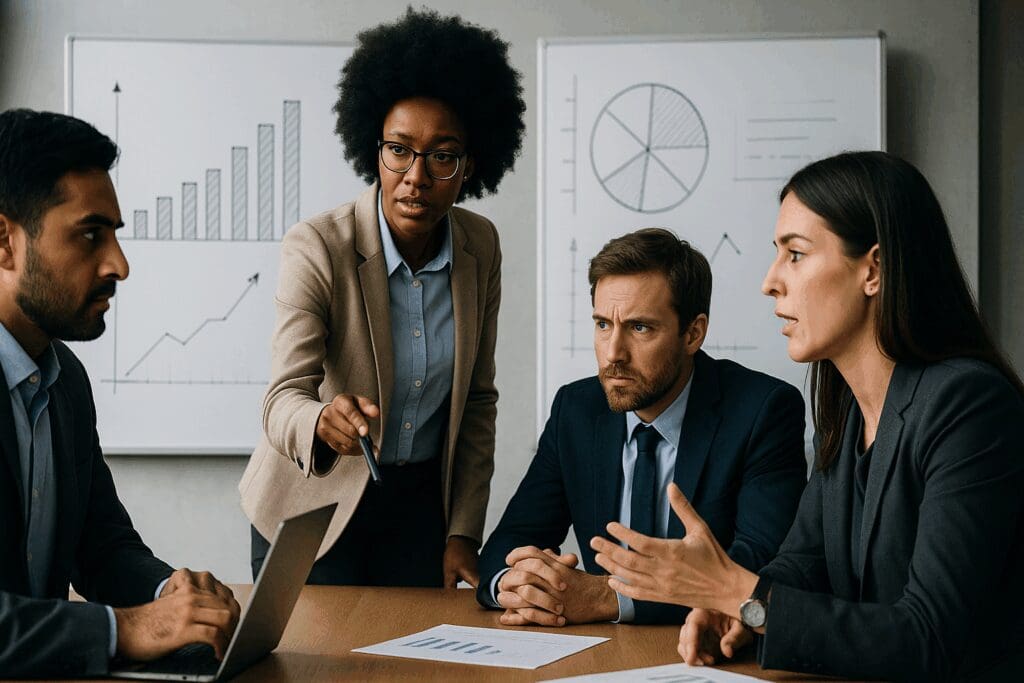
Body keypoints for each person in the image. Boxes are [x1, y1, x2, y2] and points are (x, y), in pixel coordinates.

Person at [591, 152, 1024, 681]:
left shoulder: (969, 406)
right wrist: (735, 617)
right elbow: (803, 565)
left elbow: (928, 637)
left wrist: (736, 592)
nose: (771, 281)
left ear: (874, 269)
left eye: (795, 254)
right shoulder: (844, 410)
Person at [239, 8, 525, 589]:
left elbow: (476, 401)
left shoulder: (481, 248)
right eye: (398, 150)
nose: (415, 175)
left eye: (442, 155)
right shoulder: (319, 246)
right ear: (374, 150)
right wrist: (322, 421)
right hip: (312, 501)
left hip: (421, 508)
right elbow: (281, 400)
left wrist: (463, 533)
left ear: (470, 165)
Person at [0, 109, 240, 678]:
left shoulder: (67, 382)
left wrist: (170, 591)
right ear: (4, 243)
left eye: (114, 235)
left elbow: (101, 547)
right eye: (89, 235)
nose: (119, 264)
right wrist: (128, 627)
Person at [476, 229, 807, 626]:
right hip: (603, 655)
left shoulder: (763, 411)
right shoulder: (576, 410)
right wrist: (518, 584)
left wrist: (607, 598)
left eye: (639, 328)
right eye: (602, 325)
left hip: (709, 654)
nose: (613, 353)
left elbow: (758, 567)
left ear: (693, 333)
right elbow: (509, 543)